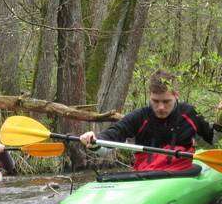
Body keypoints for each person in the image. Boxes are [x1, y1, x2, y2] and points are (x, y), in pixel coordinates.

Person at [79, 70, 215, 172]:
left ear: (176, 95)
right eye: (155, 101)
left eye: (166, 101)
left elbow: (215, 140)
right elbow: (115, 133)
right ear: (150, 95)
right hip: (146, 176)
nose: (161, 107)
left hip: (180, 174)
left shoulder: (190, 114)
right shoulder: (140, 116)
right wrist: (95, 140)